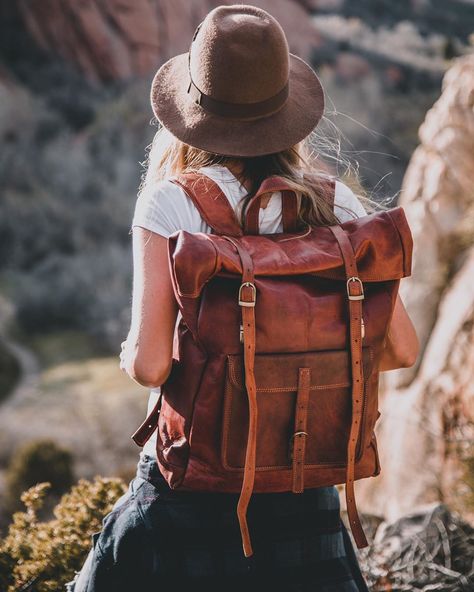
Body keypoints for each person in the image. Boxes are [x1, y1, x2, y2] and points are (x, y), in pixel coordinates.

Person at [67, 4, 419, 591]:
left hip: (192, 492)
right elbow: (401, 349)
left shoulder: (169, 204)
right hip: (306, 497)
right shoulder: (340, 209)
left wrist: (133, 352)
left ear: (193, 112)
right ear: (286, 111)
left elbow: (152, 363)